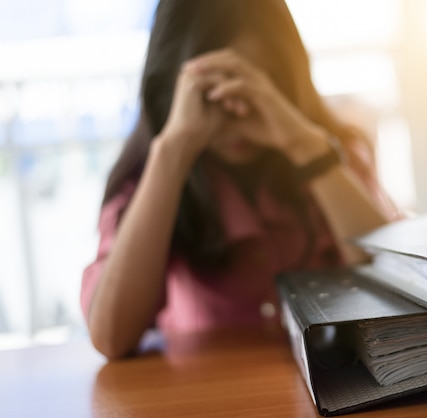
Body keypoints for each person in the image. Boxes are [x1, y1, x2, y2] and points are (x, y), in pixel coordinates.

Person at [81, 0, 398, 359]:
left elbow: (401, 291)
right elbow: (110, 337)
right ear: (171, 87)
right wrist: (172, 151)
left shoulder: (334, 155)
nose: (238, 108)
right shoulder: (147, 180)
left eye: (258, 86)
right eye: (213, 91)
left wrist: (303, 145)